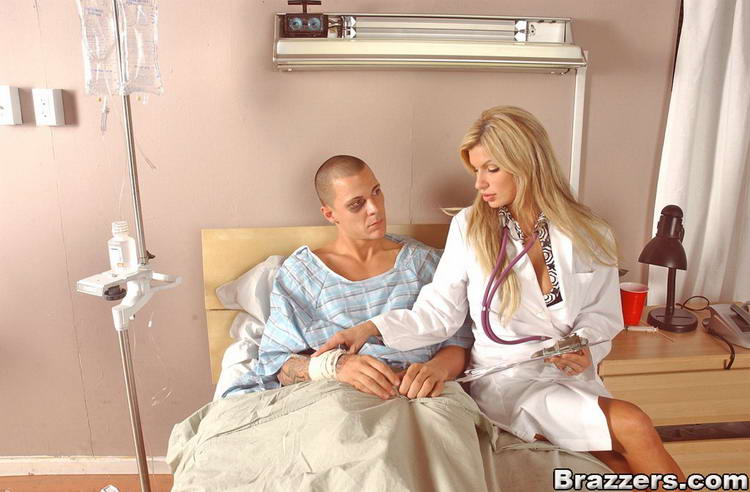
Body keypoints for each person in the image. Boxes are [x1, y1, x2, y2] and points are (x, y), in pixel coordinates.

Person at [314, 107, 685, 479]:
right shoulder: (469, 227)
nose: (479, 183)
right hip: (507, 381)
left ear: (526, 164)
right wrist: (369, 329)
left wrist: (583, 346)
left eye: (491, 169)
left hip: (569, 377)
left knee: (620, 469)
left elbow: (601, 315)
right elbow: (437, 314)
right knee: (634, 424)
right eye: (476, 170)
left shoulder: (590, 231)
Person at [230, 155, 473, 400]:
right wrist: (336, 367)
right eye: (357, 204)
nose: (374, 208)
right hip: (337, 400)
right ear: (330, 214)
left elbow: (459, 343)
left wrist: (436, 370)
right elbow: (276, 365)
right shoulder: (303, 276)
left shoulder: (424, 264)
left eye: (376, 192)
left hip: (419, 397)